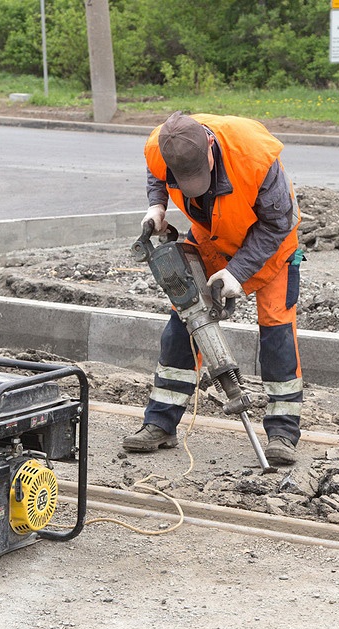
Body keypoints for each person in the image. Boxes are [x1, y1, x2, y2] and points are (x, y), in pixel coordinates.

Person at [123, 112, 304, 466]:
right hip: (209, 242)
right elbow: (156, 175)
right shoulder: (162, 145)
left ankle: (283, 431)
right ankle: (161, 422)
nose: (192, 183)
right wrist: (157, 205)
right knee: (184, 323)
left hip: (271, 249)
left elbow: (278, 223)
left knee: (277, 331)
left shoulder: (255, 156)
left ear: (210, 145)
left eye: (198, 175)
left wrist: (236, 272)